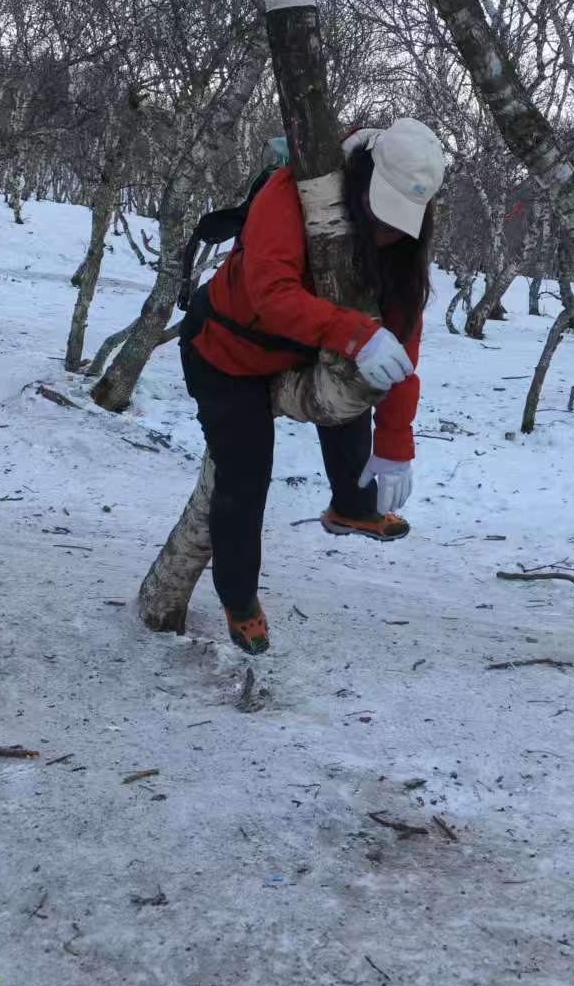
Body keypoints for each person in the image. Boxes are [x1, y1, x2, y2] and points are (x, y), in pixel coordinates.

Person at [179, 116, 446, 656]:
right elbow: (270, 294)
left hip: (300, 349)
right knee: (245, 474)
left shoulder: (403, 242)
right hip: (226, 352)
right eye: (384, 211)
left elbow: (402, 341)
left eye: (402, 219)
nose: (391, 231)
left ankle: (352, 505)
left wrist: (396, 441)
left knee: (352, 389)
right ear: (364, 178)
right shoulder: (292, 192)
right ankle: (238, 599)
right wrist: (357, 335)